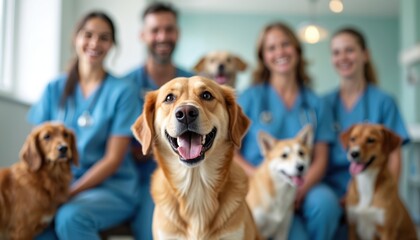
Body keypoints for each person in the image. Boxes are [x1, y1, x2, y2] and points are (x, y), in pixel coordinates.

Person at [27, 11, 140, 239]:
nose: (95, 43)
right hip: (62, 184)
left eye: (104, 38)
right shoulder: (55, 88)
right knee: (34, 228)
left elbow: (113, 159)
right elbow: (37, 147)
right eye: (88, 35)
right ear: (76, 38)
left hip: (112, 188)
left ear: (112, 45)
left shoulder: (123, 91)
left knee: (70, 218)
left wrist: (68, 193)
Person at [234, 22, 341, 240]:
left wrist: (300, 188)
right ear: (263, 56)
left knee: (326, 204)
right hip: (258, 185)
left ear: (297, 50)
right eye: (271, 48)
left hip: (304, 183)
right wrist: (260, 178)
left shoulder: (316, 103)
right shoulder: (249, 98)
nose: (280, 52)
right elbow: (230, 153)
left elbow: (320, 158)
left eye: (286, 45)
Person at [323, 27, 410, 237]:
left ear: (365, 54)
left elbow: (394, 156)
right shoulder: (325, 103)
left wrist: (386, 196)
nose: (343, 57)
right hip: (333, 191)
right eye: (336, 52)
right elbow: (320, 153)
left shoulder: (383, 101)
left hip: (377, 188)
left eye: (349, 50)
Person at [125, 2, 193, 240]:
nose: (162, 36)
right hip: (141, 179)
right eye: (155, 30)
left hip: (189, 174)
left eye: (169, 29)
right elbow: (124, 146)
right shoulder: (126, 86)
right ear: (143, 35)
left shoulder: (193, 84)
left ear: (178, 34)